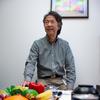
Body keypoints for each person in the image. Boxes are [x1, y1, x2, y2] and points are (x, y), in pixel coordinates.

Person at [23, 11, 76, 90]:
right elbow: (30, 63)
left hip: (60, 81)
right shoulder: (37, 44)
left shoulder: (65, 45)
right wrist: (27, 80)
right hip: (42, 81)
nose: (49, 24)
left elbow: (71, 68)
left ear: (58, 26)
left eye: (52, 22)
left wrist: (70, 88)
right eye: (46, 22)